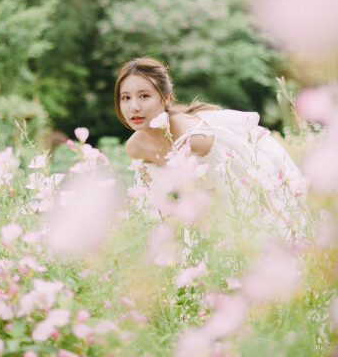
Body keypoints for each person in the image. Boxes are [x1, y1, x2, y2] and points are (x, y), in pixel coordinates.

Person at [114, 56, 308, 236]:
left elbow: (226, 192)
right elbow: (153, 200)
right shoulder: (135, 147)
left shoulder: (193, 138)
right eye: (126, 98)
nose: (134, 107)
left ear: (165, 98)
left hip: (233, 189)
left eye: (144, 96)